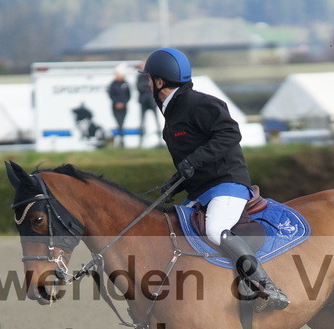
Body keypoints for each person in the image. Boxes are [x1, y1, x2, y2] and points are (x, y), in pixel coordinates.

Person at [140, 47, 289, 310]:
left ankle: (266, 285)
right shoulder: (172, 111)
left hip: (227, 185)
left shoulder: (200, 103)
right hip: (201, 192)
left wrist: (192, 162)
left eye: (148, 79)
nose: (147, 83)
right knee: (170, 230)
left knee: (214, 230)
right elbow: (193, 160)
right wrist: (177, 181)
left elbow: (230, 134)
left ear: (159, 82)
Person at [136, 62, 160, 147]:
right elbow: (139, 87)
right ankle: (140, 142)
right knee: (142, 122)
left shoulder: (152, 76)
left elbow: (154, 87)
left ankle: (160, 140)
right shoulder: (139, 77)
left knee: (157, 121)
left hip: (152, 101)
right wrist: (147, 87)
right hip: (143, 102)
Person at [108, 67, 131, 147]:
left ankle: (122, 141)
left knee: (122, 123)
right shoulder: (113, 84)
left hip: (124, 108)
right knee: (119, 123)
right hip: (115, 107)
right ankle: (120, 141)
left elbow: (128, 95)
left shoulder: (125, 84)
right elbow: (111, 95)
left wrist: (123, 103)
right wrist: (116, 103)